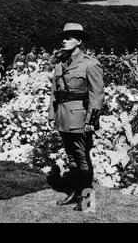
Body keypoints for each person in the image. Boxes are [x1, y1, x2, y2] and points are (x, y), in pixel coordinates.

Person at [48, 23, 104, 211]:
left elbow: (97, 95)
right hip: (63, 117)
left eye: (69, 37)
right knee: (71, 157)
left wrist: (91, 120)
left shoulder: (90, 63)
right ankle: (75, 193)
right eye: (63, 37)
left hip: (80, 118)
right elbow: (54, 93)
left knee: (81, 157)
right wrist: (51, 114)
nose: (64, 40)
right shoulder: (61, 64)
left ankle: (87, 200)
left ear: (79, 41)